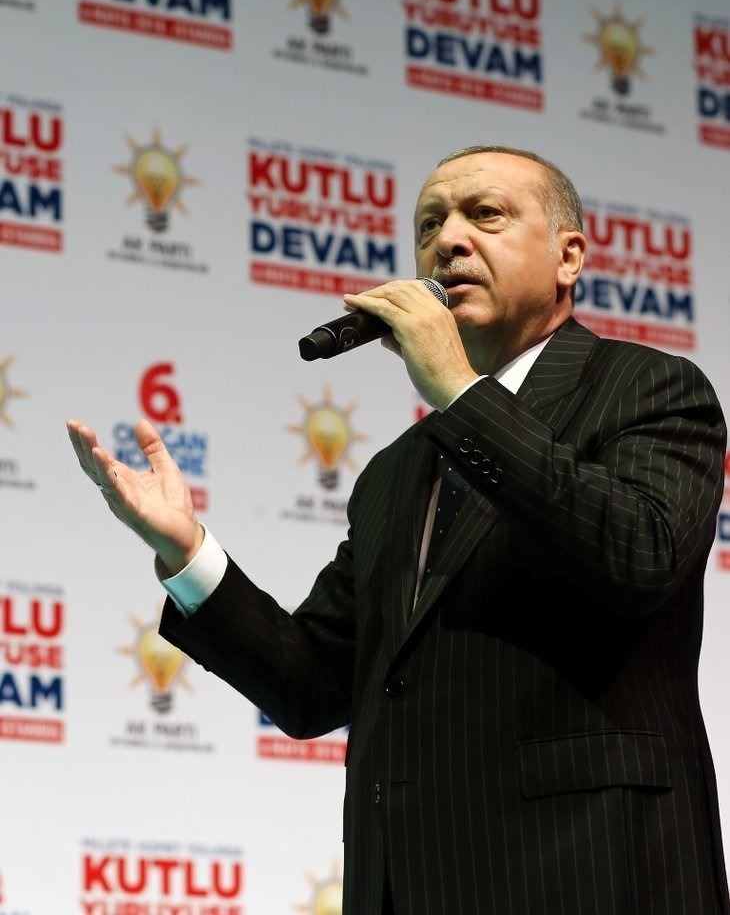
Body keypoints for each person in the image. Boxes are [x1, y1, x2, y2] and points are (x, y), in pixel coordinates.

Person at [67, 145, 730, 915]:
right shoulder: (395, 470)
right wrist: (188, 553)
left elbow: (640, 556)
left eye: (485, 214)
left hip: (593, 875)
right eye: (429, 225)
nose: (448, 240)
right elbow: (315, 686)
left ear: (569, 257)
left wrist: (460, 391)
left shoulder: (649, 388)